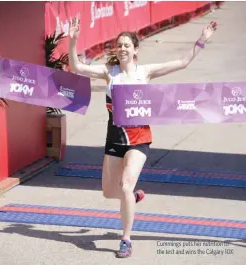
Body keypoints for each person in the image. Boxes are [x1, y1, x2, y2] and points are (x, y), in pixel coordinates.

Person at [68, 16, 217, 258]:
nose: (122, 48)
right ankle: (134, 198)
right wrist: (73, 41)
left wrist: (201, 40)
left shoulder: (144, 72)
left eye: (127, 45)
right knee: (108, 192)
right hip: (114, 140)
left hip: (139, 139)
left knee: (125, 185)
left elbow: (182, 62)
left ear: (135, 50)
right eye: (120, 45)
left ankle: (125, 239)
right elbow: (77, 68)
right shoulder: (109, 72)